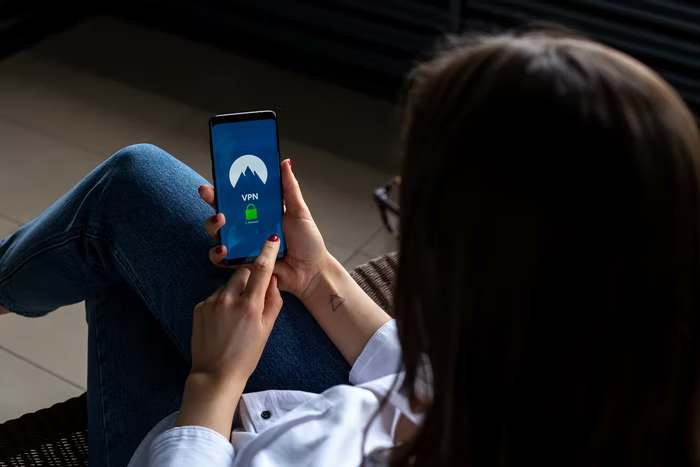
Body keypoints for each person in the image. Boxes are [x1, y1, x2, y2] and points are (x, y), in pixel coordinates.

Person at [1, 29, 699, 467]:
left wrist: (213, 387)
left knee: (122, 250)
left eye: (411, 205)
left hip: (204, 442)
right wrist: (321, 275)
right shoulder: (599, 376)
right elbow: (427, 388)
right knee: (139, 185)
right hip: (339, 413)